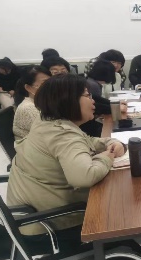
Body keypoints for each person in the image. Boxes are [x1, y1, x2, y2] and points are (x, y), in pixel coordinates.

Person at [7, 74, 126, 236]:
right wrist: (107, 156)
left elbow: (85, 141)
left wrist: (109, 142)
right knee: (125, 200)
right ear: (68, 100)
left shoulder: (48, 122)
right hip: (52, 226)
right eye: (87, 95)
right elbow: (85, 176)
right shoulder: (62, 133)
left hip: (34, 215)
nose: (93, 101)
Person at [13, 66, 51, 140]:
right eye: (45, 83)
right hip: (34, 146)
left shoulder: (42, 102)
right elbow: (48, 135)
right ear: (28, 88)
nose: (51, 86)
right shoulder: (28, 108)